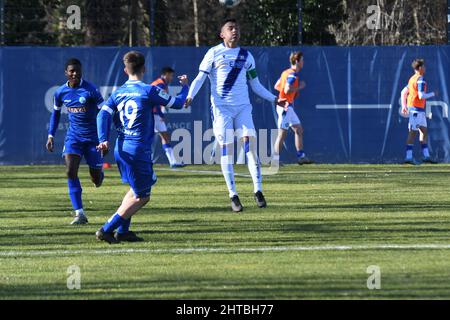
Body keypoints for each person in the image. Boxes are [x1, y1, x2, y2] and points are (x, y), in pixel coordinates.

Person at [184, 19, 287, 213]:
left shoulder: (246, 56)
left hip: (243, 108)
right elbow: (200, 78)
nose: (235, 31)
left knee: (250, 146)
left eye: (237, 28)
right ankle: (233, 195)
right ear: (222, 34)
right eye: (230, 28)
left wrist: (275, 99)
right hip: (222, 109)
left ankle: (258, 191)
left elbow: (255, 85)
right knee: (228, 150)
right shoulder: (213, 53)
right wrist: (190, 95)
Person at [95, 51, 189, 244]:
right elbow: (179, 103)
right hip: (138, 149)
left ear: (125, 70)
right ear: (144, 69)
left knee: (134, 190)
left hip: (121, 149)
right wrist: (186, 87)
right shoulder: (149, 90)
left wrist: (103, 139)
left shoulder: (118, 93)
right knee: (143, 196)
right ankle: (106, 229)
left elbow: (101, 115)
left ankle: (123, 232)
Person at [46, 58, 105, 225]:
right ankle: (80, 213)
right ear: (66, 73)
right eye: (71, 71)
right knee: (70, 171)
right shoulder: (60, 92)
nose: (75, 74)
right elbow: (55, 114)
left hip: (93, 138)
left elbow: (105, 112)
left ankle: (99, 175)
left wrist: (104, 138)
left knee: (95, 179)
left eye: (77, 71)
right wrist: (51, 135)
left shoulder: (91, 90)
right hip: (74, 138)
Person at [273, 51, 312, 165]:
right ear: (297, 61)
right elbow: (286, 89)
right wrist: (299, 87)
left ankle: (301, 156)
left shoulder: (286, 72)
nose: (303, 62)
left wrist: (286, 94)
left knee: (298, 129)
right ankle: (275, 160)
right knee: (282, 133)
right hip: (285, 107)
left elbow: (277, 86)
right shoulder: (292, 75)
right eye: (302, 60)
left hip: (287, 107)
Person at [400, 58, 437, 164]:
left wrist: (404, 106)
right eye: (424, 66)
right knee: (412, 133)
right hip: (415, 111)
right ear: (420, 68)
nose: (425, 68)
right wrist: (433, 94)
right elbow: (421, 96)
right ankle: (408, 157)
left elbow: (403, 92)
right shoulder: (420, 79)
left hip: (419, 111)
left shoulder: (412, 79)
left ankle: (426, 156)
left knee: (424, 131)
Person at [150, 67, 186, 168]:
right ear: (165, 74)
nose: (171, 77)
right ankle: (172, 162)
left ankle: (173, 161)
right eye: (170, 75)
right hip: (153, 114)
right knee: (162, 137)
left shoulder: (161, 83)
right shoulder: (160, 84)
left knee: (164, 137)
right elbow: (156, 101)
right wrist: (160, 115)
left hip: (152, 113)